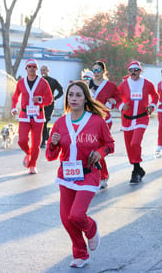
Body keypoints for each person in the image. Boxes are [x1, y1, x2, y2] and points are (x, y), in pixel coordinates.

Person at [46, 81, 114, 268]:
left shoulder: (96, 122)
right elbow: (51, 156)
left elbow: (109, 145)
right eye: (70, 95)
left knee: (77, 215)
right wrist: (53, 143)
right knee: (66, 219)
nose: (73, 98)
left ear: (85, 98)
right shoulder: (60, 123)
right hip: (66, 175)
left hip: (88, 174)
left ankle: (91, 229)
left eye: (78, 95)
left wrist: (99, 153)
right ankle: (81, 254)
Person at [117, 61, 159, 184]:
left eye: (136, 69)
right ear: (128, 71)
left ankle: (135, 171)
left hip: (141, 118)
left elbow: (155, 96)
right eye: (131, 70)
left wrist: (151, 106)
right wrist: (121, 106)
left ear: (140, 71)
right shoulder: (124, 85)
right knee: (129, 147)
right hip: (127, 119)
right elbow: (116, 98)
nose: (133, 72)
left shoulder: (147, 84)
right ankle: (138, 168)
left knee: (135, 143)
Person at [11, 58, 53, 174]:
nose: (32, 69)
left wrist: (40, 99)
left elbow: (49, 99)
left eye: (34, 67)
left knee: (36, 143)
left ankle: (33, 165)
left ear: (37, 69)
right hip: (24, 115)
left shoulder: (43, 82)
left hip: (38, 116)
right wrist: (14, 107)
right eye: (29, 66)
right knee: (22, 140)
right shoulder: (21, 82)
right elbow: (15, 96)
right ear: (26, 68)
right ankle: (28, 153)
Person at [89, 61, 122, 189]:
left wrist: (112, 103)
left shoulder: (110, 86)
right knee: (93, 147)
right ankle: (100, 174)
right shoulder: (88, 84)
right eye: (94, 70)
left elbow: (118, 99)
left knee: (99, 147)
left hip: (105, 121)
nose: (96, 73)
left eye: (98, 70)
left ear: (103, 71)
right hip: (90, 120)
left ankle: (103, 176)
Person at [40, 65, 63, 148]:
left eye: (44, 70)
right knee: (40, 123)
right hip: (40, 104)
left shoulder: (53, 81)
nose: (42, 72)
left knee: (44, 121)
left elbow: (61, 91)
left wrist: (55, 98)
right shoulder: (38, 81)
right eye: (41, 70)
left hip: (49, 104)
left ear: (47, 70)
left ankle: (43, 142)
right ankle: (45, 136)